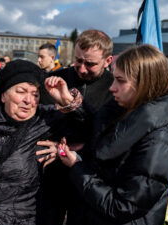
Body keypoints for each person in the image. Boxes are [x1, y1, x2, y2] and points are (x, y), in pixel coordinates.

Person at [56, 44, 168, 225]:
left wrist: (77, 167)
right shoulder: (124, 110)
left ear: (145, 83)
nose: (112, 87)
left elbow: (124, 206)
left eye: (120, 80)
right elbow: (101, 132)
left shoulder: (161, 137)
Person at [0, 59, 83, 225]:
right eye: (21, 91)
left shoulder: (45, 121)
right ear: (3, 95)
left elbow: (87, 130)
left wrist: (67, 100)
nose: (28, 100)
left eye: (35, 94)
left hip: (22, 219)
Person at [37, 29, 115, 225]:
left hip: (90, 176)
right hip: (50, 175)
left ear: (108, 61)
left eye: (90, 64)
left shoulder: (115, 88)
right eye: (78, 61)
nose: (81, 69)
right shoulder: (57, 78)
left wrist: (65, 150)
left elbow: (108, 134)